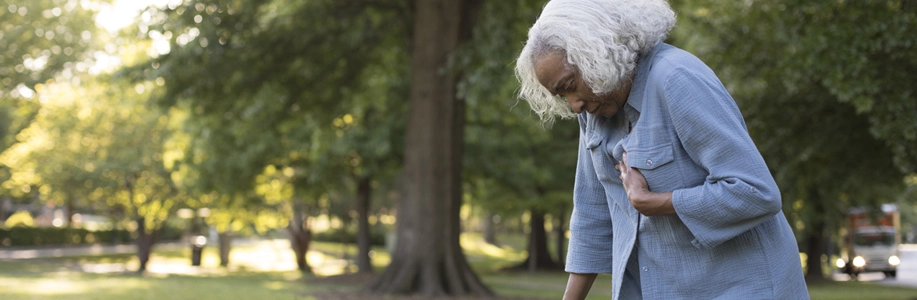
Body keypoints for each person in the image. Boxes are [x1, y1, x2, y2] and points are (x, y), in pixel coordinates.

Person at [514, 0, 809, 299]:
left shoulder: (677, 78)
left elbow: (757, 193)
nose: (574, 105)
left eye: (570, 85)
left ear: (596, 54)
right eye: (561, 95)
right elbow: (592, 214)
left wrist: (655, 202)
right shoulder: (593, 110)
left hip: (745, 287)